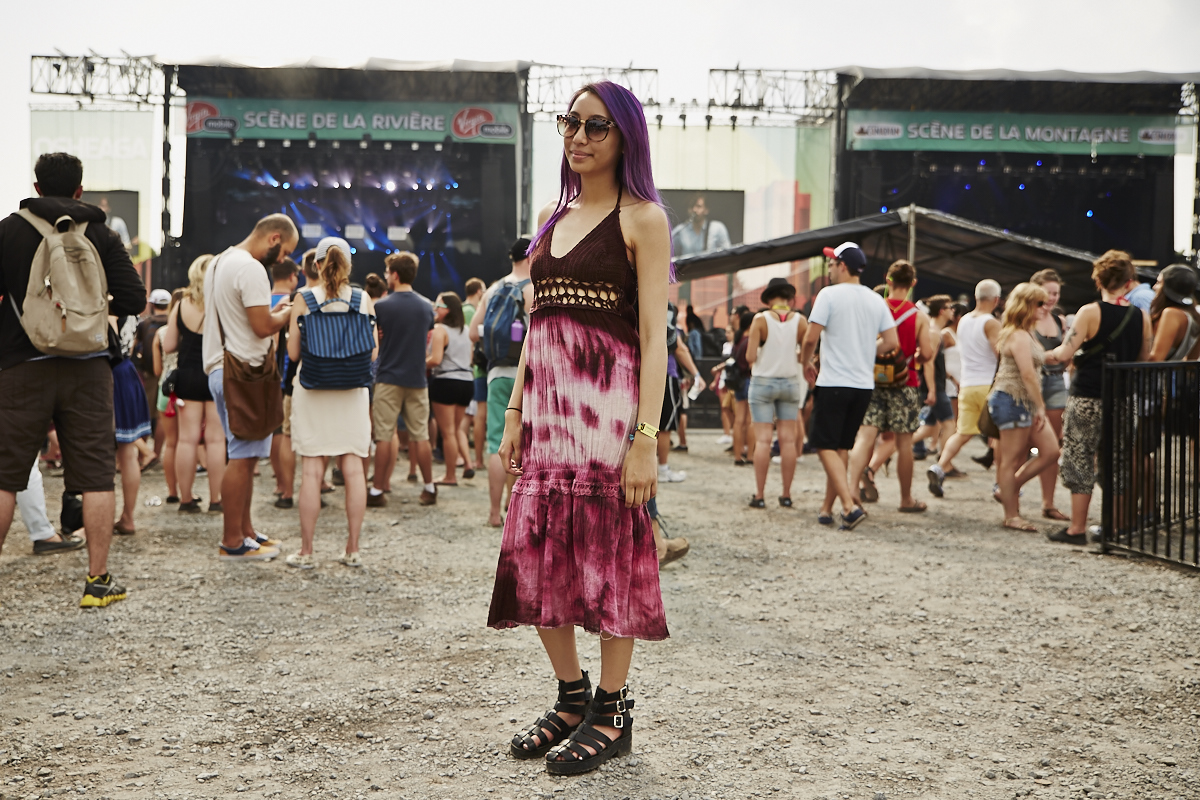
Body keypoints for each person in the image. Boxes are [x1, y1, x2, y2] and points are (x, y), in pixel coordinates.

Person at [489, 80, 669, 775]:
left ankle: (613, 711)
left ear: (625, 137)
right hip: (547, 422)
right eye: (571, 123)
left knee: (610, 563)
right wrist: (514, 411)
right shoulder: (550, 217)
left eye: (597, 126)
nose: (579, 136)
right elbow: (539, 326)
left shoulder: (643, 219)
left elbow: (653, 338)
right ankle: (572, 697)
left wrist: (645, 439)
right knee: (537, 559)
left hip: (609, 424)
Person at [0, 152, 145, 607]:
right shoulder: (101, 232)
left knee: (5, 476)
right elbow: (134, 299)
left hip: (21, 365)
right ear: (81, 189)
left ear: (37, 187)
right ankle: (97, 582)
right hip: (88, 365)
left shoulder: (9, 230)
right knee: (97, 476)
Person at [203, 214, 297, 560]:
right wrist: (287, 313)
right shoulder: (251, 268)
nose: (283, 259)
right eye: (285, 251)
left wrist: (275, 312)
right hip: (243, 372)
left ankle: (245, 531)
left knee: (244, 455)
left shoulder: (219, 262)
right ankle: (232, 541)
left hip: (222, 367)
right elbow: (261, 326)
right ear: (274, 238)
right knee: (242, 458)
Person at [1044, 250, 1151, 544]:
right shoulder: (1141, 316)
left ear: (1098, 280)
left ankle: (1077, 528)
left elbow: (1064, 353)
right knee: (1117, 461)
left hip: (1088, 395)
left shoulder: (1089, 312)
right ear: (1128, 282)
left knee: (1080, 457)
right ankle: (1112, 529)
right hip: (1123, 398)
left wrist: (1042, 354)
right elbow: (1144, 358)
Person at [284, 238, 374, 569]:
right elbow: (372, 353)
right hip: (352, 393)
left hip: (313, 390)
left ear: (316, 265)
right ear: (347, 265)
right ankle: (352, 549)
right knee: (353, 470)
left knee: (311, 471)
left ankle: (307, 552)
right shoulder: (362, 299)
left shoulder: (304, 299)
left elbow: (294, 353)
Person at [800, 242, 899, 530]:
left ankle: (848, 505)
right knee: (841, 447)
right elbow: (892, 342)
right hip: (862, 386)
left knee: (822, 443)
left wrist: (805, 362)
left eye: (832, 264)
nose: (829, 269)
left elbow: (810, 338)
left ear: (842, 266)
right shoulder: (875, 299)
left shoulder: (829, 295)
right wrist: (866, 351)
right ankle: (827, 508)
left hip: (834, 382)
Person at [848, 260, 934, 514]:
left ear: (888, 280)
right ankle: (906, 499)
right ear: (912, 284)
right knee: (904, 442)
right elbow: (927, 353)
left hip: (871, 380)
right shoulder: (918, 316)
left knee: (865, 436)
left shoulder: (874, 308)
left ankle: (853, 492)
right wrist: (915, 357)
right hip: (904, 383)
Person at [469, 239, 535, 527]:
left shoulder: (493, 289)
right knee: (524, 443)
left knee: (498, 440)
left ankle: (494, 513)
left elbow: (473, 333)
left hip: (496, 374)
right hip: (527, 378)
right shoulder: (534, 289)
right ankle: (515, 507)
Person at [988, 282, 1062, 531]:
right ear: (1026, 305)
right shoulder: (1018, 334)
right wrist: (1040, 407)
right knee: (1010, 460)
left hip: (1021, 401)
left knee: (1051, 451)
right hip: (1012, 399)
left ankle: (1008, 490)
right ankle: (1011, 515)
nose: (1045, 307)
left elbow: (1037, 361)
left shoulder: (1024, 332)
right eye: (1039, 303)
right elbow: (1028, 374)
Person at [370, 251, 436, 507]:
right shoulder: (426, 306)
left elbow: (378, 337)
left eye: (388, 273)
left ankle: (377, 490)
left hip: (388, 377)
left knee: (384, 436)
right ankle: (429, 487)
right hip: (417, 378)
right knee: (420, 436)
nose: (387, 277)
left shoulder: (381, 306)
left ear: (395, 275)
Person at [927, 280, 1002, 497]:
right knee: (1000, 437)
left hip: (967, 385)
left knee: (963, 433)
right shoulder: (991, 323)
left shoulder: (965, 321)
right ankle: (1000, 483)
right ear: (996, 300)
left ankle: (939, 467)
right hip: (988, 385)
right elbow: (1000, 354)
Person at [163, 255, 226, 513]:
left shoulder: (181, 305)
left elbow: (168, 345)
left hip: (188, 376)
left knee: (187, 440)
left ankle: (186, 499)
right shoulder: (223, 303)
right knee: (216, 440)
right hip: (217, 373)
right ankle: (216, 500)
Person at [745, 277, 807, 508]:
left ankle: (760, 496)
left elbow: (750, 357)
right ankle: (786, 495)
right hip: (790, 383)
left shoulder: (760, 319)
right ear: (788, 297)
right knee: (788, 441)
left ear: (769, 298)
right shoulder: (800, 321)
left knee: (763, 441)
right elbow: (805, 353)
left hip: (763, 382)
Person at [1030, 270, 1071, 521]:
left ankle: (1048, 502)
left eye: (1056, 293)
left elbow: (1066, 353)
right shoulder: (1025, 317)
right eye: (1048, 293)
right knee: (1023, 443)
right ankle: (1009, 490)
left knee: (1053, 445)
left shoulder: (1059, 319)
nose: (1052, 298)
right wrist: (1048, 356)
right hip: (1031, 382)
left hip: (1056, 381)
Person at [427, 292, 475, 486]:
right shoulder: (466, 331)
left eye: (438, 306)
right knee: (455, 430)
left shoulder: (440, 330)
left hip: (446, 381)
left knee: (447, 433)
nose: (435, 310)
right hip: (466, 382)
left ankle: (450, 476)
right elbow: (470, 359)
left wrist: (417, 364)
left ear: (447, 309)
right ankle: (466, 465)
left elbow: (436, 359)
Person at [112, 313, 153, 535]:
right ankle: (127, 517)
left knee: (103, 455)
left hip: (109, 374)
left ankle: (102, 518)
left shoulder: (108, 306)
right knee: (127, 454)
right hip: (126, 371)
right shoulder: (130, 310)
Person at [268, 258, 300, 504]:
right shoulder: (293, 304)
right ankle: (290, 484)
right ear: (292, 277)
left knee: (276, 432)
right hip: (288, 376)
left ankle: (280, 483)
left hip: (266, 376)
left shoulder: (261, 302)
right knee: (285, 433)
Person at [910, 295, 956, 466]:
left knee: (928, 427)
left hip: (935, 385)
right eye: (950, 307)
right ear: (942, 311)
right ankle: (945, 465)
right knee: (949, 424)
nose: (953, 311)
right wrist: (932, 390)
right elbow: (928, 363)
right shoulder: (934, 332)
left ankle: (890, 448)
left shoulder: (935, 331)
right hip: (934, 386)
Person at [152, 290, 182, 502]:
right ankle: (188, 492)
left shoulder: (161, 334)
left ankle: (172, 492)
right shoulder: (194, 331)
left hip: (165, 390)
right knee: (188, 442)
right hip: (187, 391)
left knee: (171, 444)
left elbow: (157, 370)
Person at [135, 287, 172, 457]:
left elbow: (135, 346)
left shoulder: (144, 324)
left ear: (152, 304)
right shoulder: (173, 322)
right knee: (163, 415)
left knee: (147, 413)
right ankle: (157, 452)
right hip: (170, 373)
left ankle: (143, 455)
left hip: (149, 374)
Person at [1147, 265, 1200, 361]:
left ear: (1168, 289)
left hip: (1150, 371)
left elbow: (1156, 359)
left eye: (1159, 282)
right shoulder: (1195, 317)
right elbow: (1191, 362)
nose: (1154, 287)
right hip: (1169, 370)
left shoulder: (1171, 313)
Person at [462, 276, 487, 477]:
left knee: (476, 414)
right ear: (478, 291)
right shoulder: (472, 311)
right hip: (478, 367)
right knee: (476, 415)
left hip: (476, 369)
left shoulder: (463, 309)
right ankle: (478, 458)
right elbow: (472, 339)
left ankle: (477, 459)